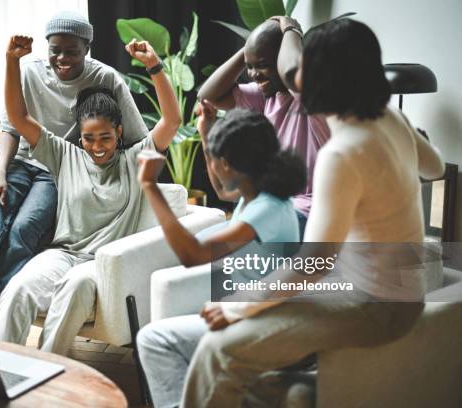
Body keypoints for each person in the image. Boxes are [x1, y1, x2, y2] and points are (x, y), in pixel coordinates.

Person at [161, 19, 443, 408]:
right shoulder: (390, 118)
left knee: (218, 350)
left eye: (307, 66)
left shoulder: (342, 153)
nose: (295, 74)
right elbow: (435, 168)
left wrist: (238, 304)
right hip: (395, 292)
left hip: (373, 304)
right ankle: (298, 393)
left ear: (331, 76)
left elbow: (313, 263)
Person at [0, 11, 148, 333]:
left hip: (60, 168)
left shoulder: (106, 78)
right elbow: (11, 127)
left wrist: (111, 177)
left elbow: (136, 137)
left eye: (71, 51)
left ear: (87, 48)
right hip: (22, 162)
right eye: (55, 49)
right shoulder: (29, 73)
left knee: (22, 230)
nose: (62, 58)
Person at [0, 35, 180, 356]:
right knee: (18, 288)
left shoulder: (136, 159)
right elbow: (18, 118)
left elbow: (172, 121)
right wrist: (11, 62)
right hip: (62, 254)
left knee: (75, 286)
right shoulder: (64, 155)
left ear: (119, 132)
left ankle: (51, 369)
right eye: (89, 138)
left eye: (105, 137)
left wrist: (154, 66)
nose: (97, 146)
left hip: (101, 264)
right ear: (80, 136)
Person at [135, 106, 306, 408]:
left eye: (216, 160)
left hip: (264, 322)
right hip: (253, 312)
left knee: (154, 340)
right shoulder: (260, 191)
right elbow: (222, 190)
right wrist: (205, 133)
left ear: (227, 164)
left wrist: (150, 186)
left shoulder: (266, 209)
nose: (213, 167)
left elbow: (192, 254)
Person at [198, 16, 330, 237]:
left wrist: (291, 29)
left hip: (306, 213)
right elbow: (208, 95)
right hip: (269, 206)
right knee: (202, 240)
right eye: (250, 67)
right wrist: (250, 48)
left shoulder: (315, 99)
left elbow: (292, 73)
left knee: (215, 256)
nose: (253, 74)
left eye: (262, 65)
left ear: (281, 59)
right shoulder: (265, 96)